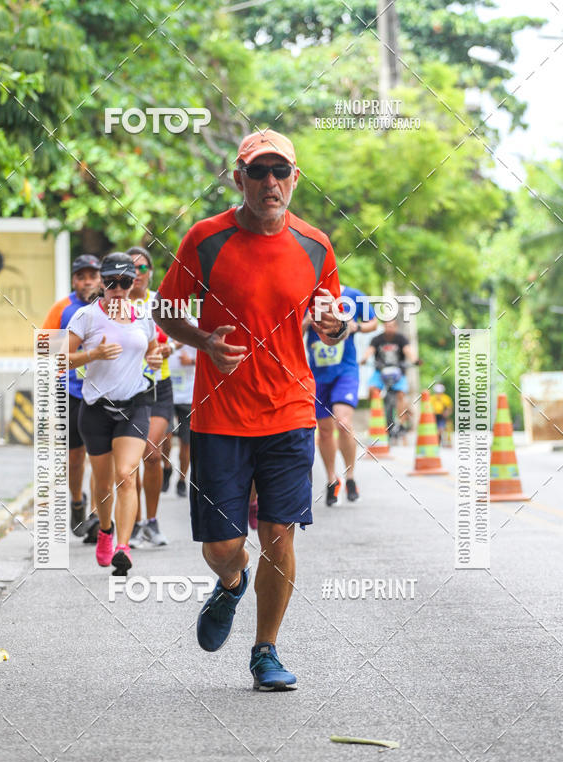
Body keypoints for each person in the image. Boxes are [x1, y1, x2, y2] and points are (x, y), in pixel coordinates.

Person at [154, 129, 346, 691]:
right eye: (257, 172)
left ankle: (266, 651)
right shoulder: (205, 240)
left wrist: (336, 325)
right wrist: (204, 341)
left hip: (289, 411)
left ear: (294, 178)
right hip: (219, 416)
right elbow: (166, 313)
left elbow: (328, 320)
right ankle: (231, 582)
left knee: (279, 533)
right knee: (222, 546)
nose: (270, 183)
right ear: (238, 178)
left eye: (279, 172)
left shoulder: (316, 245)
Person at [66, 253, 162, 575]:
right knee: (104, 483)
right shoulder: (86, 317)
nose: (118, 289)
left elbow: (151, 351)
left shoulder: (143, 316)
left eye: (125, 282)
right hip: (95, 410)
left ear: (134, 284)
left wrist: (155, 361)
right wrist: (92, 353)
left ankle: (123, 547)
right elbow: (56, 358)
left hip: (134, 405)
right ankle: (105, 531)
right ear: (102, 283)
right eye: (111, 282)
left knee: (126, 474)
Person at [42, 254, 101, 538]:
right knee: (75, 457)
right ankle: (77, 502)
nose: (87, 281)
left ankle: (98, 517)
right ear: (74, 280)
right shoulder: (63, 308)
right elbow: (45, 347)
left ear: (101, 278)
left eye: (92, 275)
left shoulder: (109, 307)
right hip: (72, 391)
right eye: (81, 276)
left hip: (103, 392)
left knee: (101, 455)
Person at [303, 286, 376, 505]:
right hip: (318, 373)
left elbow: (373, 322)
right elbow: (289, 331)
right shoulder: (305, 296)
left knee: (343, 423)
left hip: (345, 369)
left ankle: (350, 477)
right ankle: (331, 479)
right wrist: (306, 322)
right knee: (324, 431)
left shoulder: (353, 295)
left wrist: (356, 327)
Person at [125, 246, 173, 549]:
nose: (138, 274)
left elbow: (183, 335)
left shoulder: (160, 303)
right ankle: (135, 521)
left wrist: (171, 349)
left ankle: (152, 522)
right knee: (129, 462)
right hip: (128, 389)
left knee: (152, 453)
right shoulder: (114, 307)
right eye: (132, 268)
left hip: (159, 387)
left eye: (143, 268)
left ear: (150, 272)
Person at [362, 317, 416, 433]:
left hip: (398, 373)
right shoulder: (377, 339)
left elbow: (408, 351)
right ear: (384, 327)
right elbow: (370, 350)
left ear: (396, 327)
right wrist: (364, 358)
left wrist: (414, 359)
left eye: (391, 326)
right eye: (387, 326)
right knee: (372, 389)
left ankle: (401, 423)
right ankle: (376, 414)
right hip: (380, 372)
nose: (389, 328)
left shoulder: (401, 339)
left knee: (401, 394)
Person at [164, 314, 198, 497]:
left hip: (188, 392)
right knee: (165, 437)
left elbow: (208, 357)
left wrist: (191, 361)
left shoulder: (195, 324)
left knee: (186, 442)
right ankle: (166, 466)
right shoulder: (160, 320)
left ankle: (182, 479)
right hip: (165, 391)